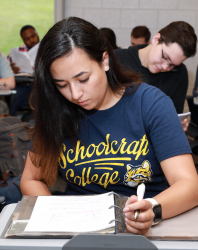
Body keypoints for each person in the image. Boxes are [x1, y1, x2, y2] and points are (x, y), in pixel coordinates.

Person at [20, 17, 198, 235]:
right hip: (78, 232)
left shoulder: (150, 104)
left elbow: (189, 185)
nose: (75, 94)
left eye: (83, 79)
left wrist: (153, 209)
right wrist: (58, 218)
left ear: (105, 61)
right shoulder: (56, 108)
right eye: (62, 85)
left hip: (145, 231)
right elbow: (31, 179)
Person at [115, 21, 197, 132]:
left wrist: (177, 127)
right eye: (165, 57)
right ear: (156, 39)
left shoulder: (179, 73)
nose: (165, 67)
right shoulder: (117, 60)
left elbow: (174, 115)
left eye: (172, 65)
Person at [7, 25, 39, 116]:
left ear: (37, 33)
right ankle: (9, 125)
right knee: (14, 98)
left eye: (33, 36)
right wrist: (10, 69)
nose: (32, 40)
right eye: (27, 39)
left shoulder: (47, 49)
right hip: (24, 85)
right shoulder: (17, 52)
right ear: (23, 40)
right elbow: (4, 70)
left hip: (42, 85)